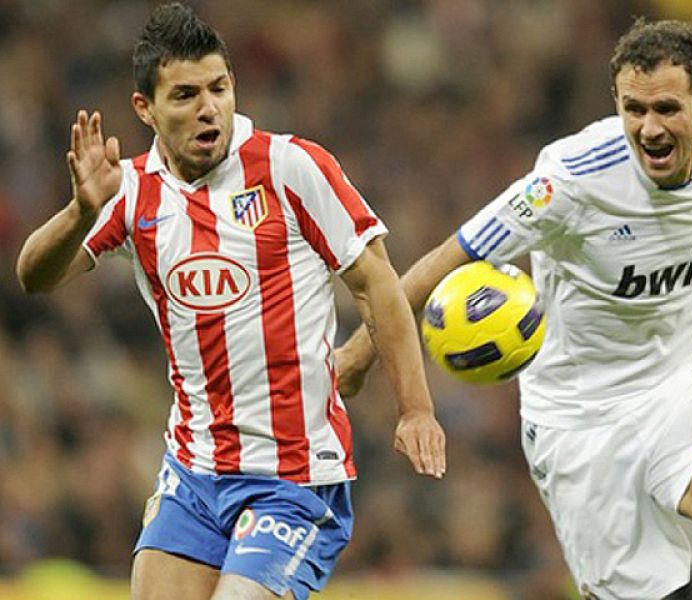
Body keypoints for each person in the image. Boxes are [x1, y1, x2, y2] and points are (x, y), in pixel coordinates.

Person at [15, 3, 446, 600]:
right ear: (145, 108)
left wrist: (415, 408)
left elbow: (376, 283)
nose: (208, 108)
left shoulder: (290, 167)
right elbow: (34, 277)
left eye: (218, 88)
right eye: (185, 95)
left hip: (293, 477)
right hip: (193, 473)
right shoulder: (129, 189)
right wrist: (79, 212)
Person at [336, 18, 692, 600]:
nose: (649, 128)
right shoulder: (569, 180)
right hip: (578, 416)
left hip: (673, 385)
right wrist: (358, 355)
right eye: (634, 109)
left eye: (667, 109)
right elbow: (446, 258)